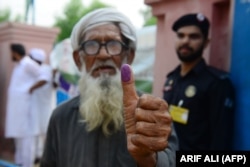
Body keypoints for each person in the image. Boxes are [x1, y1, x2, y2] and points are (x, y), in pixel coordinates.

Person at [41, 8, 178, 167]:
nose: (103, 55)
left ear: (129, 56)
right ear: (79, 60)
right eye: (91, 45)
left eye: (114, 45)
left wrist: (148, 158)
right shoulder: (61, 117)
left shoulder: (150, 113)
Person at [163, 13, 235, 150]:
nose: (185, 41)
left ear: (206, 42)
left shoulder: (217, 83)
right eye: (181, 35)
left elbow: (221, 140)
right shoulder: (171, 79)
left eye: (193, 36)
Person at [5, 44, 41, 167]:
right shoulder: (18, 65)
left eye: (11, 53)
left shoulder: (28, 63)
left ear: (15, 52)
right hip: (16, 109)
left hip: (25, 108)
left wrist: (30, 89)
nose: (11, 55)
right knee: (18, 137)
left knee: (26, 139)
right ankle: (19, 163)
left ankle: (27, 164)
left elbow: (43, 75)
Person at [29, 48, 55, 163]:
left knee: (44, 132)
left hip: (45, 105)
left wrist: (30, 89)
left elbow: (47, 81)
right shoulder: (36, 70)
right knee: (36, 132)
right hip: (36, 105)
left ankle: (43, 156)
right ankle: (37, 156)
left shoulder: (45, 69)